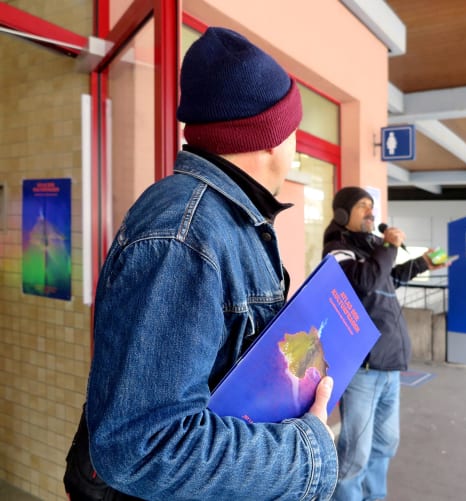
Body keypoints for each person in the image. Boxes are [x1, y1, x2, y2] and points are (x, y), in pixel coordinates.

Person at [77, 27, 338, 500]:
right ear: (267, 139)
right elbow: (143, 446)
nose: (297, 146)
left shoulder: (226, 219)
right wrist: (307, 452)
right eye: (293, 128)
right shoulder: (187, 235)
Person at [322, 187, 447, 501]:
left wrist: (421, 264)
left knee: (385, 444)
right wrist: (389, 246)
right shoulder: (338, 250)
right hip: (363, 369)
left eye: (371, 207)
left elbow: (388, 279)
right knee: (356, 454)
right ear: (341, 213)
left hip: (389, 365)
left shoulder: (372, 249)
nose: (371, 212)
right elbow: (364, 282)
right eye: (363, 206)